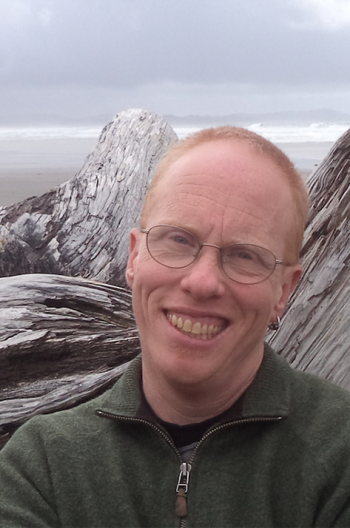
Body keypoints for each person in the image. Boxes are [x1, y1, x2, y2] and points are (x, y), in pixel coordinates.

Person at [1, 126, 350, 527]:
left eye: (245, 256)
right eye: (178, 240)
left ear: (284, 291)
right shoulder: (42, 464)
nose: (201, 282)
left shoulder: (339, 454)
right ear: (134, 258)